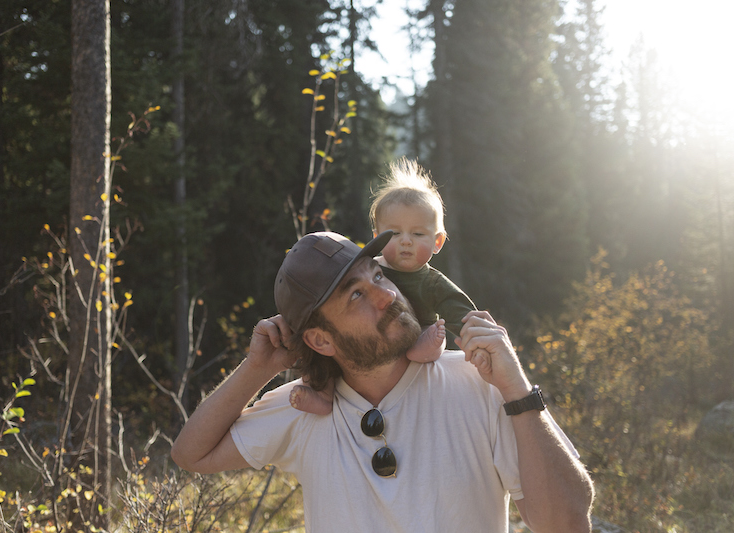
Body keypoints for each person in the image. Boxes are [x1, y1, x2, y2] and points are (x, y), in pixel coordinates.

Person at [171, 230, 595, 533]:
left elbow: (569, 524)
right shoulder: (305, 407)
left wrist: (518, 389)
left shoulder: (479, 383)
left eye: (377, 276)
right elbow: (192, 453)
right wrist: (257, 369)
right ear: (320, 339)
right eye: (356, 295)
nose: (386, 296)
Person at [289, 157, 479, 415]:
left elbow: (459, 310)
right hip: (370, 347)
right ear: (376, 235)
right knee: (330, 349)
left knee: (435, 334)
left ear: (437, 242)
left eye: (418, 234)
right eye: (395, 233)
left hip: (418, 332)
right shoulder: (366, 266)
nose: (406, 242)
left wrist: (476, 339)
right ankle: (321, 394)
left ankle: (425, 347)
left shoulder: (431, 281)